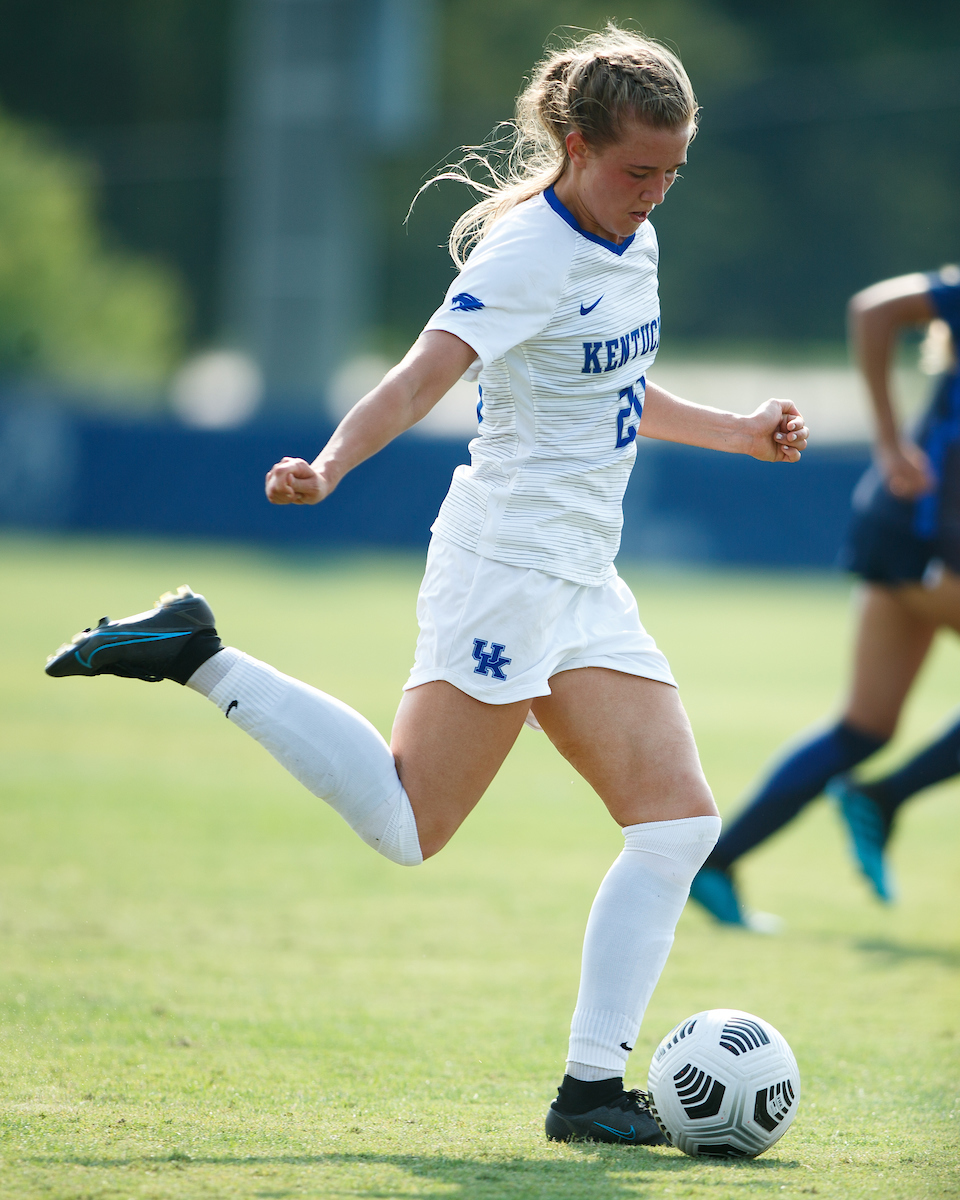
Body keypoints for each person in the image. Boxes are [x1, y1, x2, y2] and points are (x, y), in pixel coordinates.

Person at [44, 27, 807, 1144]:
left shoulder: (631, 238)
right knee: (410, 827)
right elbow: (417, 378)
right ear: (578, 147)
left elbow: (614, 383)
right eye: (638, 170)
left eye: (672, 173)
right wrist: (330, 465)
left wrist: (737, 430)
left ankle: (591, 1092)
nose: (654, 194)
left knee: (678, 824)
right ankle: (198, 653)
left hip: (582, 578)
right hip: (504, 572)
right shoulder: (524, 255)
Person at [690, 265, 960, 924]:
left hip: (904, 529)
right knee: (862, 730)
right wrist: (889, 442)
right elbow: (873, 309)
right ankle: (883, 798)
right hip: (927, 531)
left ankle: (718, 863)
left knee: (864, 727)